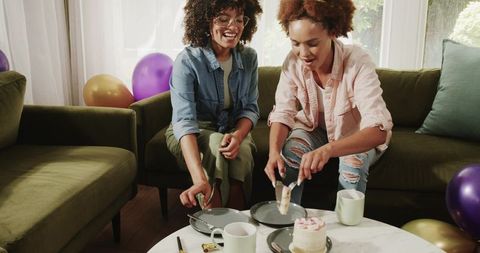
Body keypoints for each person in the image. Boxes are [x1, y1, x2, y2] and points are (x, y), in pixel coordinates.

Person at [264, 0, 393, 204]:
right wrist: (273, 152)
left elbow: (379, 130)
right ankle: (288, 221)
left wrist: (328, 150)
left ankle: (346, 231)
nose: (303, 53)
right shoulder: (292, 62)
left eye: (312, 43)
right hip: (312, 129)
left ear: (333, 32)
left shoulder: (357, 62)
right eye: (295, 43)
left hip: (354, 134)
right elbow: (283, 112)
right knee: (290, 152)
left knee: (353, 161)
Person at [166, 0, 262, 210]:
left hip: (232, 128)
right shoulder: (188, 61)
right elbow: (184, 122)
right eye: (223, 18)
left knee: (243, 152)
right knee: (216, 144)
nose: (233, 26)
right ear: (204, 21)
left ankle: (238, 226)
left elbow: (250, 109)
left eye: (239, 19)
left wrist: (237, 136)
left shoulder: (249, 57)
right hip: (190, 132)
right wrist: (199, 179)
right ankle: (214, 223)